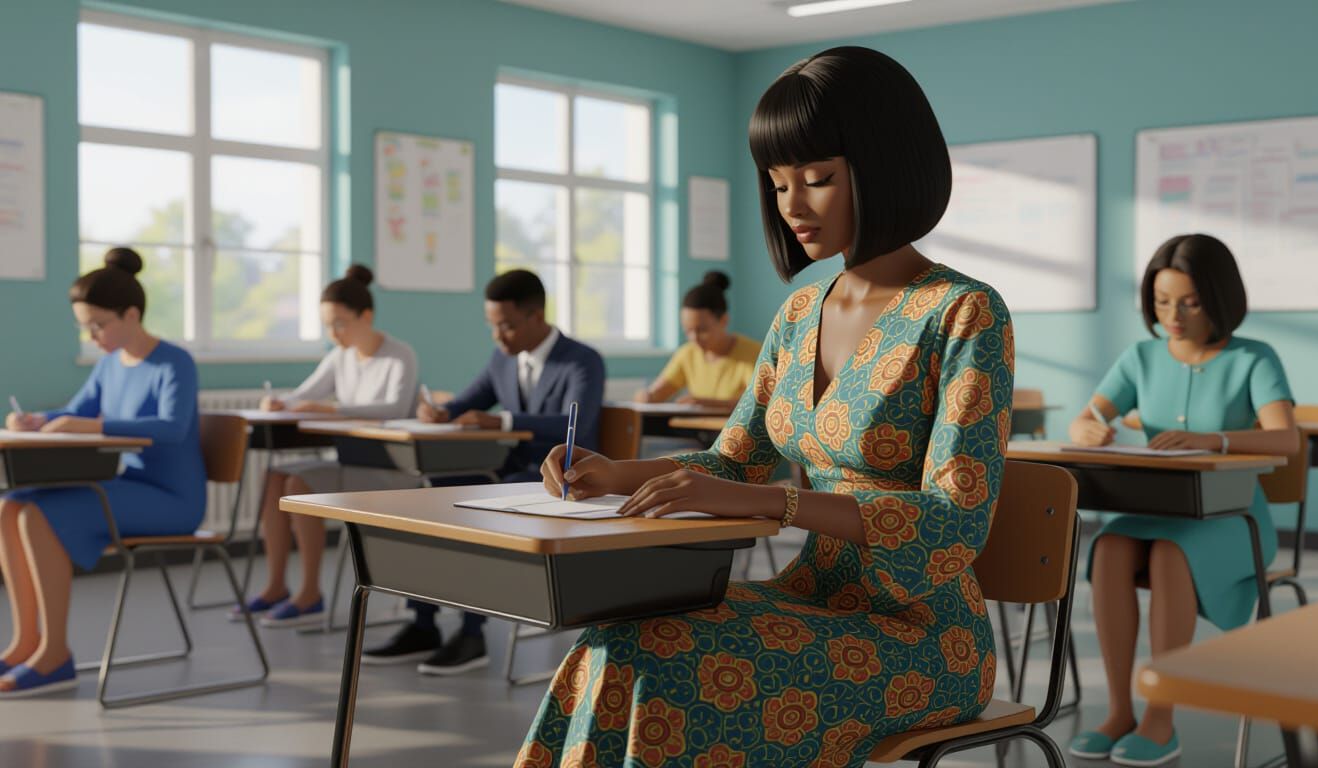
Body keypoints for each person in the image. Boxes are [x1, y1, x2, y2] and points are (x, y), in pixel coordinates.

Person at [514, 46, 1014, 767]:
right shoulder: (800, 311)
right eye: (778, 184)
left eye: (817, 178)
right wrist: (616, 473)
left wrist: (782, 506)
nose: (793, 205)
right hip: (812, 595)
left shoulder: (964, 313)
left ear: (884, 164)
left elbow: (955, 522)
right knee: (624, 639)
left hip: (920, 635)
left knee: (682, 676)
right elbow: (733, 462)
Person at [1065, 234, 1297, 767]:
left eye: (1188, 303)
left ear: (1219, 298)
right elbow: (1089, 415)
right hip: (1153, 510)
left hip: (1233, 517)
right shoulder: (1141, 357)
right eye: (1163, 301)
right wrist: (1085, 428)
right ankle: (1120, 711)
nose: (1173, 315)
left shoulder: (1253, 358)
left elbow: (1286, 439)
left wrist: (1214, 440)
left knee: (1172, 553)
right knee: (1111, 546)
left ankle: (1161, 717)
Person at [362, 269, 605, 675]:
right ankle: (423, 624)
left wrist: (503, 421)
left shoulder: (582, 360)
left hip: (561, 482)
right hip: (507, 472)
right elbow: (470, 400)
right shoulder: (502, 359)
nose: (498, 336)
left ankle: (473, 634)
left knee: (479, 507)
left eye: (506, 326)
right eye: (492, 326)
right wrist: (443, 411)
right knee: (430, 494)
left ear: (535, 315)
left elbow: (575, 426)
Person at [0, 247, 206, 697]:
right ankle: (26, 643)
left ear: (131, 315)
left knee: (38, 515)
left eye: (98, 325)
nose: (92, 336)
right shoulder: (110, 365)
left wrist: (91, 424)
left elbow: (171, 429)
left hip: (172, 500)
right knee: (10, 505)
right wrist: (36, 418)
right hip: (126, 487)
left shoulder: (175, 363)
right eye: (85, 327)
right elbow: (74, 412)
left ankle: (55, 654)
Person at [235, 264, 420, 628]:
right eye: (328, 326)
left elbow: (395, 408)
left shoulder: (400, 355)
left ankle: (309, 595)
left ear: (365, 316)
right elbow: (304, 395)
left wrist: (330, 409)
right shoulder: (341, 357)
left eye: (340, 323)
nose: (334, 333)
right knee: (275, 478)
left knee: (298, 484)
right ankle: (275, 586)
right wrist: (279, 402)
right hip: (352, 462)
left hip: (392, 469)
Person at [635, 270, 762, 410]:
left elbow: (760, 402)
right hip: (695, 430)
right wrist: (647, 396)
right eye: (688, 330)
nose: (694, 338)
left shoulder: (755, 354)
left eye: (702, 330)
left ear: (724, 320)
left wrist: (709, 404)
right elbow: (656, 393)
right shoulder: (687, 353)